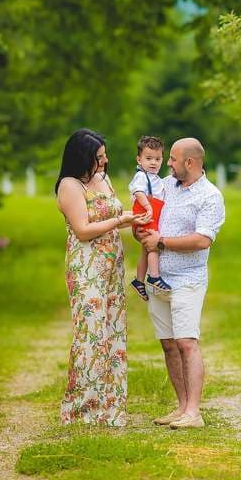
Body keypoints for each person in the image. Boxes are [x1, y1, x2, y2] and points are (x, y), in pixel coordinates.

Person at [55, 128, 151, 426]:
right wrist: (119, 220)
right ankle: (81, 408)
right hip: (87, 266)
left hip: (112, 267)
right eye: (99, 156)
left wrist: (134, 219)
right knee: (91, 334)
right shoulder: (70, 185)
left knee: (112, 332)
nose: (105, 160)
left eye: (104, 154)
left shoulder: (103, 179)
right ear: (82, 157)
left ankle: (109, 407)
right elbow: (83, 230)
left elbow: (114, 216)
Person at [135, 138, 225, 429]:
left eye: (172, 159)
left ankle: (194, 413)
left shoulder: (210, 196)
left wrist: (161, 242)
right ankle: (182, 407)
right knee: (169, 345)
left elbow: (202, 240)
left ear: (190, 163)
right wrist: (142, 231)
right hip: (158, 279)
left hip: (188, 279)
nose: (167, 164)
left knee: (187, 342)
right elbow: (148, 215)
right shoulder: (164, 186)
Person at [127, 135, 171, 301]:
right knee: (153, 245)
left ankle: (139, 281)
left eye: (158, 159)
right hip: (146, 214)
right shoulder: (141, 176)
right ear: (139, 160)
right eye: (148, 158)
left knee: (145, 250)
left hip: (151, 214)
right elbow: (138, 191)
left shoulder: (156, 178)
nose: (153, 162)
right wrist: (147, 206)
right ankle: (154, 277)